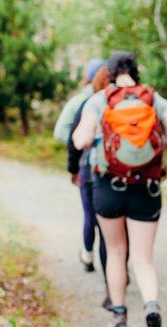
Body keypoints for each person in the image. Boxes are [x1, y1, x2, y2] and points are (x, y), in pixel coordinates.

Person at [71, 51, 167, 327]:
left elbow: (79, 141)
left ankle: (120, 317)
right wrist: (154, 137)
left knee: (115, 251)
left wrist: (100, 134)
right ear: (136, 71)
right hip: (146, 188)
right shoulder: (153, 99)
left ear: (109, 73)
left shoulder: (100, 100)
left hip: (109, 186)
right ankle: (151, 307)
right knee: (143, 258)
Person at [57, 58, 108, 275]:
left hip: (88, 166)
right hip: (116, 169)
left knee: (90, 214)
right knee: (110, 222)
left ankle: (87, 254)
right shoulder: (121, 99)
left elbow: (62, 134)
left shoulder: (83, 101)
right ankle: (114, 275)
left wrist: (73, 167)